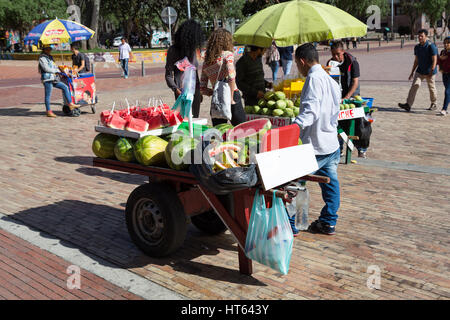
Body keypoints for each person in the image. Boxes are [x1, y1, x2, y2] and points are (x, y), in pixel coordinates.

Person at [293, 43, 341, 236]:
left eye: (297, 64)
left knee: (295, 183)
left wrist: (293, 127)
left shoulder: (313, 78)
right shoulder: (329, 79)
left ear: (302, 61)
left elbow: (310, 112)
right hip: (331, 143)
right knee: (331, 185)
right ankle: (328, 222)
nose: (298, 68)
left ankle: (293, 223)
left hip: (315, 146)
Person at [328, 41, 370, 158]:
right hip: (338, 99)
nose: (336, 57)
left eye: (338, 54)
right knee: (338, 124)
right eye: (333, 54)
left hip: (351, 96)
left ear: (343, 52)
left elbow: (355, 82)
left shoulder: (352, 62)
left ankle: (362, 149)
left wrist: (346, 97)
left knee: (359, 124)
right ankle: (339, 149)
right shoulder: (330, 63)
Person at [200, 28, 246, 126]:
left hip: (217, 100)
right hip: (232, 94)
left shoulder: (206, 62)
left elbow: (202, 88)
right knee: (241, 129)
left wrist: (215, 92)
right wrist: (231, 98)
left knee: (219, 132)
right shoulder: (227, 55)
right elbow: (231, 76)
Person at [165, 19, 203, 118]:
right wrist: (176, 89)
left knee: (194, 121)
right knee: (184, 122)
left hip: (196, 93)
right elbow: (168, 75)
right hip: (181, 93)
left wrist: (200, 92)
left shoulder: (193, 50)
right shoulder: (173, 51)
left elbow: (195, 74)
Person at [398, 29, 438, 112]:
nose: (419, 38)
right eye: (419, 36)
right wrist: (412, 72)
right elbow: (416, 61)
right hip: (420, 71)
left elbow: (435, 60)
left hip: (430, 71)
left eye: (421, 36)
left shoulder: (431, 46)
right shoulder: (417, 47)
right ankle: (408, 105)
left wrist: (432, 71)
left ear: (426, 37)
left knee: (431, 88)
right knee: (414, 86)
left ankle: (434, 103)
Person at [38, 44, 79, 117]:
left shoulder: (49, 57)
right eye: (47, 49)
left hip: (53, 78)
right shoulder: (42, 58)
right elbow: (46, 69)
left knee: (65, 87)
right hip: (47, 79)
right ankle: (48, 111)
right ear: (44, 50)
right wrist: (56, 71)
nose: (49, 50)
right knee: (48, 95)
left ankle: (70, 104)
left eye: (50, 49)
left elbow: (53, 66)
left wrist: (60, 69)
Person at [437, 36, 450, 116]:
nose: (446, 44)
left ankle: (444, 109)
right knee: (448, 90)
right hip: (444, 74)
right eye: (444, 43)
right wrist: (440, 59)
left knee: (447, 90)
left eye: (448, 43)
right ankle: (446, 108)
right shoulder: (443, 52)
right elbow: (439, 62)